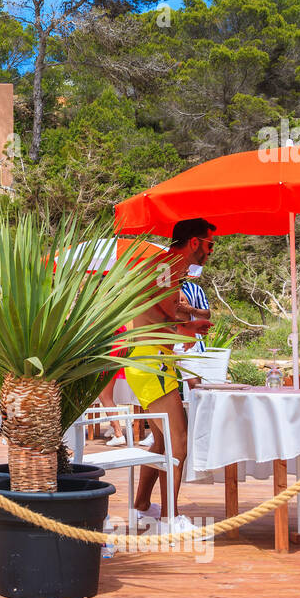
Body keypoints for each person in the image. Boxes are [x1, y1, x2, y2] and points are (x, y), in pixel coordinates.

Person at [122, 218, 216, 533]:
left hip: (151, 360)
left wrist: (193, 318)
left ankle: (142, 506)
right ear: (194, 243)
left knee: (162, 439)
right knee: (179, 439)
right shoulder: (166, 268)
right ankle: (170, 519)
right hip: (153, 361)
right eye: (210, 244)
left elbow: (164, 313)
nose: (211, 251)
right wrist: (193, 324)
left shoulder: (166, 268)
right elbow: (165, 319)